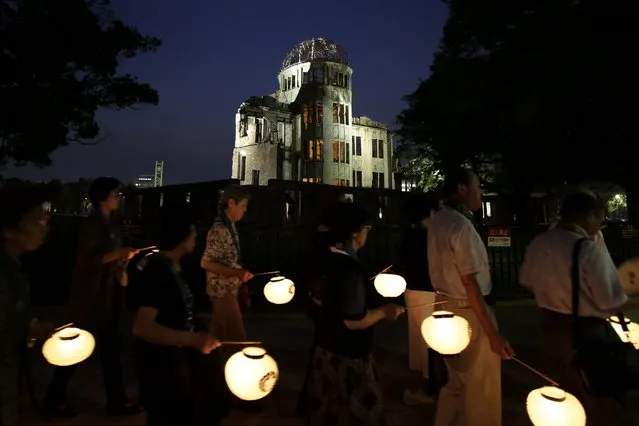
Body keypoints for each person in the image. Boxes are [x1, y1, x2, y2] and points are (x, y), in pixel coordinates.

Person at [520, 192, 637, 425]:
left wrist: (556, 296)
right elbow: (611, 301)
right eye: (599, 219)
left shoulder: (539, 243)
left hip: (550, 329)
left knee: (565, 397)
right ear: (588, 215)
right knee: (604, 399)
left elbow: (526, 282)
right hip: (587, 333)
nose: (599, 226)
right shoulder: (587, 249)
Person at [44, 177, 142, 419]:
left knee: (110, 351)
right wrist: (117, 254)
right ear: (102, 197)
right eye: (115, 194)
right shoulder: (93, 224)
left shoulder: (108, 223)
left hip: (105, 297)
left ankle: (116, 402)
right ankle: (56, 399)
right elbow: (89, 260)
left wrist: (121, 263)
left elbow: (107, 257)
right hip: (91, 299)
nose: (118, 197)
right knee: (78, 347)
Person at [305, 202, 405, 426]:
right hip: (349, 357)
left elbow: (318, 298)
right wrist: (384, 312)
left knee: (327, 413)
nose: (367, 233)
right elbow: (354, 320)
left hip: (325, 350)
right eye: (367, 228)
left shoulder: (325, 257)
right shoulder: (349, 269)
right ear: (355, 232)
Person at [427, 168, 514, 426]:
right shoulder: (460, 225)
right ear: (462, 189)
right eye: (478, 186)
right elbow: (470, 283)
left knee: (456, 383)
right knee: (481, 390)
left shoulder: (438, 220)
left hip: (443, 306)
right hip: (468, 310)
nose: (482, 192)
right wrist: (493, 333)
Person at [130, 204, 229, 426]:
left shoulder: (171, 267)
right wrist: (192, 340)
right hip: (164, 374)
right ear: (181, 235)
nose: (196, 235)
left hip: (176, 371)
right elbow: (142, 327)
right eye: (193, 229)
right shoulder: (157, 271)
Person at [0, 187, 55, 426]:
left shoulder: (15, 269)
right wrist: (30, 332)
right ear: (9, 230)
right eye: (37, 221)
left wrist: (32, 327)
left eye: (45, 219)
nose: (45, 227)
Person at [398, 197, 445, 406]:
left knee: (420, 340)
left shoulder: (410, 235)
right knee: (430, 341)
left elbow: (402, 262)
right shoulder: (433, 235)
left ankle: (425, 384)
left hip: (414, 290)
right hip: (431, 290)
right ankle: (426, 385)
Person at [200, 185, 254, 342]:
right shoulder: (220, 229)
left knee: (218, 338)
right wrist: (238, 273)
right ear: (231, 203)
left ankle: (209, 363)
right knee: (237, 340)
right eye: (243, 206)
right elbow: (205, 263)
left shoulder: (229, 226)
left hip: (225, 290)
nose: (245, 210)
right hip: (223, 292)